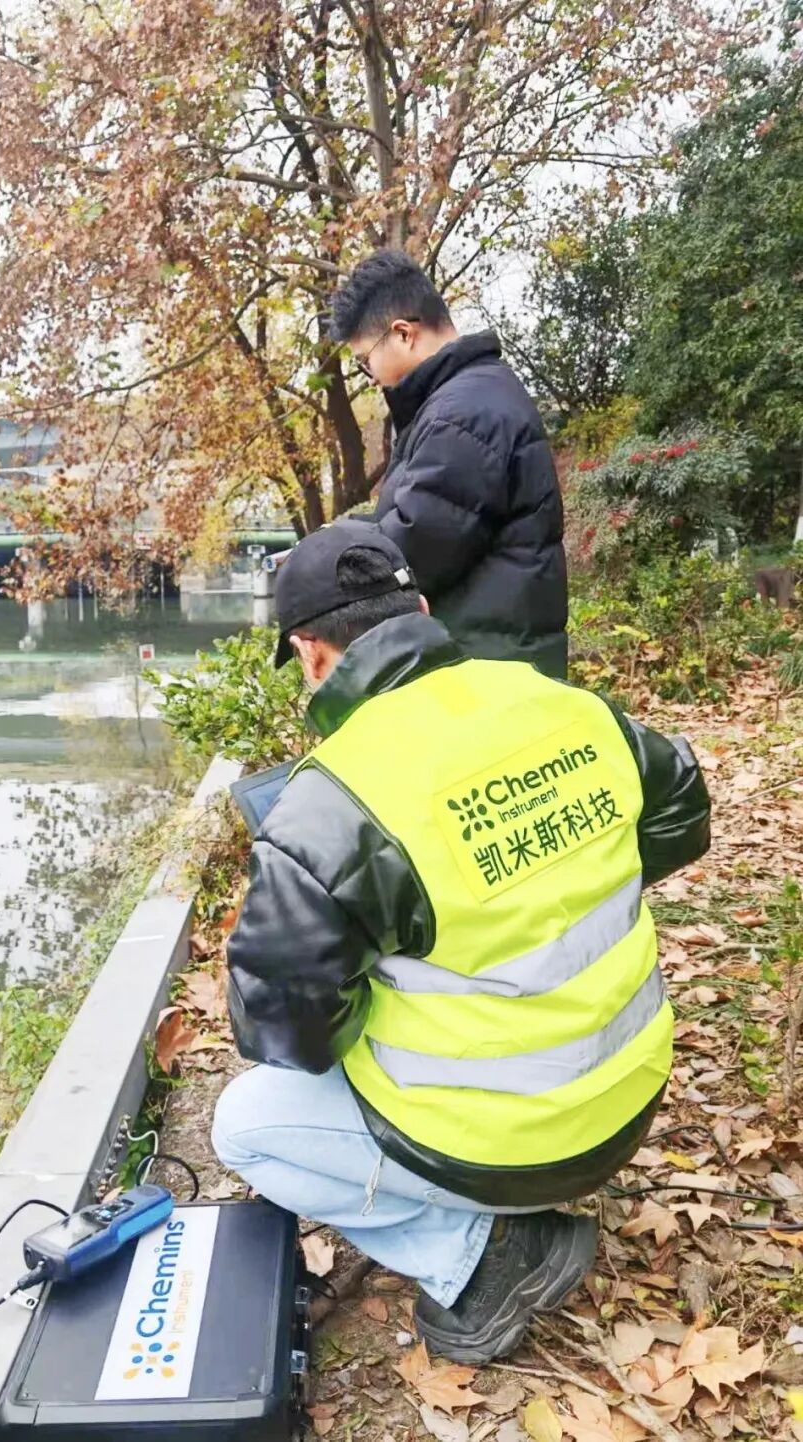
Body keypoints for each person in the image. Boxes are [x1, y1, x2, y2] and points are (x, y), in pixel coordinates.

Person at [212, 520, 710, 1362]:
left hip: (500, 1151)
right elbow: (681, 815)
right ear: (424, 609)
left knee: (243, 1125)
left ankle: (484, 1255)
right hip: (632, 1097)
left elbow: (284, 1032)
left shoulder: (333, 802)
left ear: (311, 653)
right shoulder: (565, 706)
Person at [330, 250, 568, 678]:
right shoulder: (463, 398)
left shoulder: (463, 413)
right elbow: (419, 517)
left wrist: (328, 559)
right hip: (495, 660)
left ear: (402, 333)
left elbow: (414, 550)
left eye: (365, 361)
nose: (370, 376)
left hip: (491, 673)